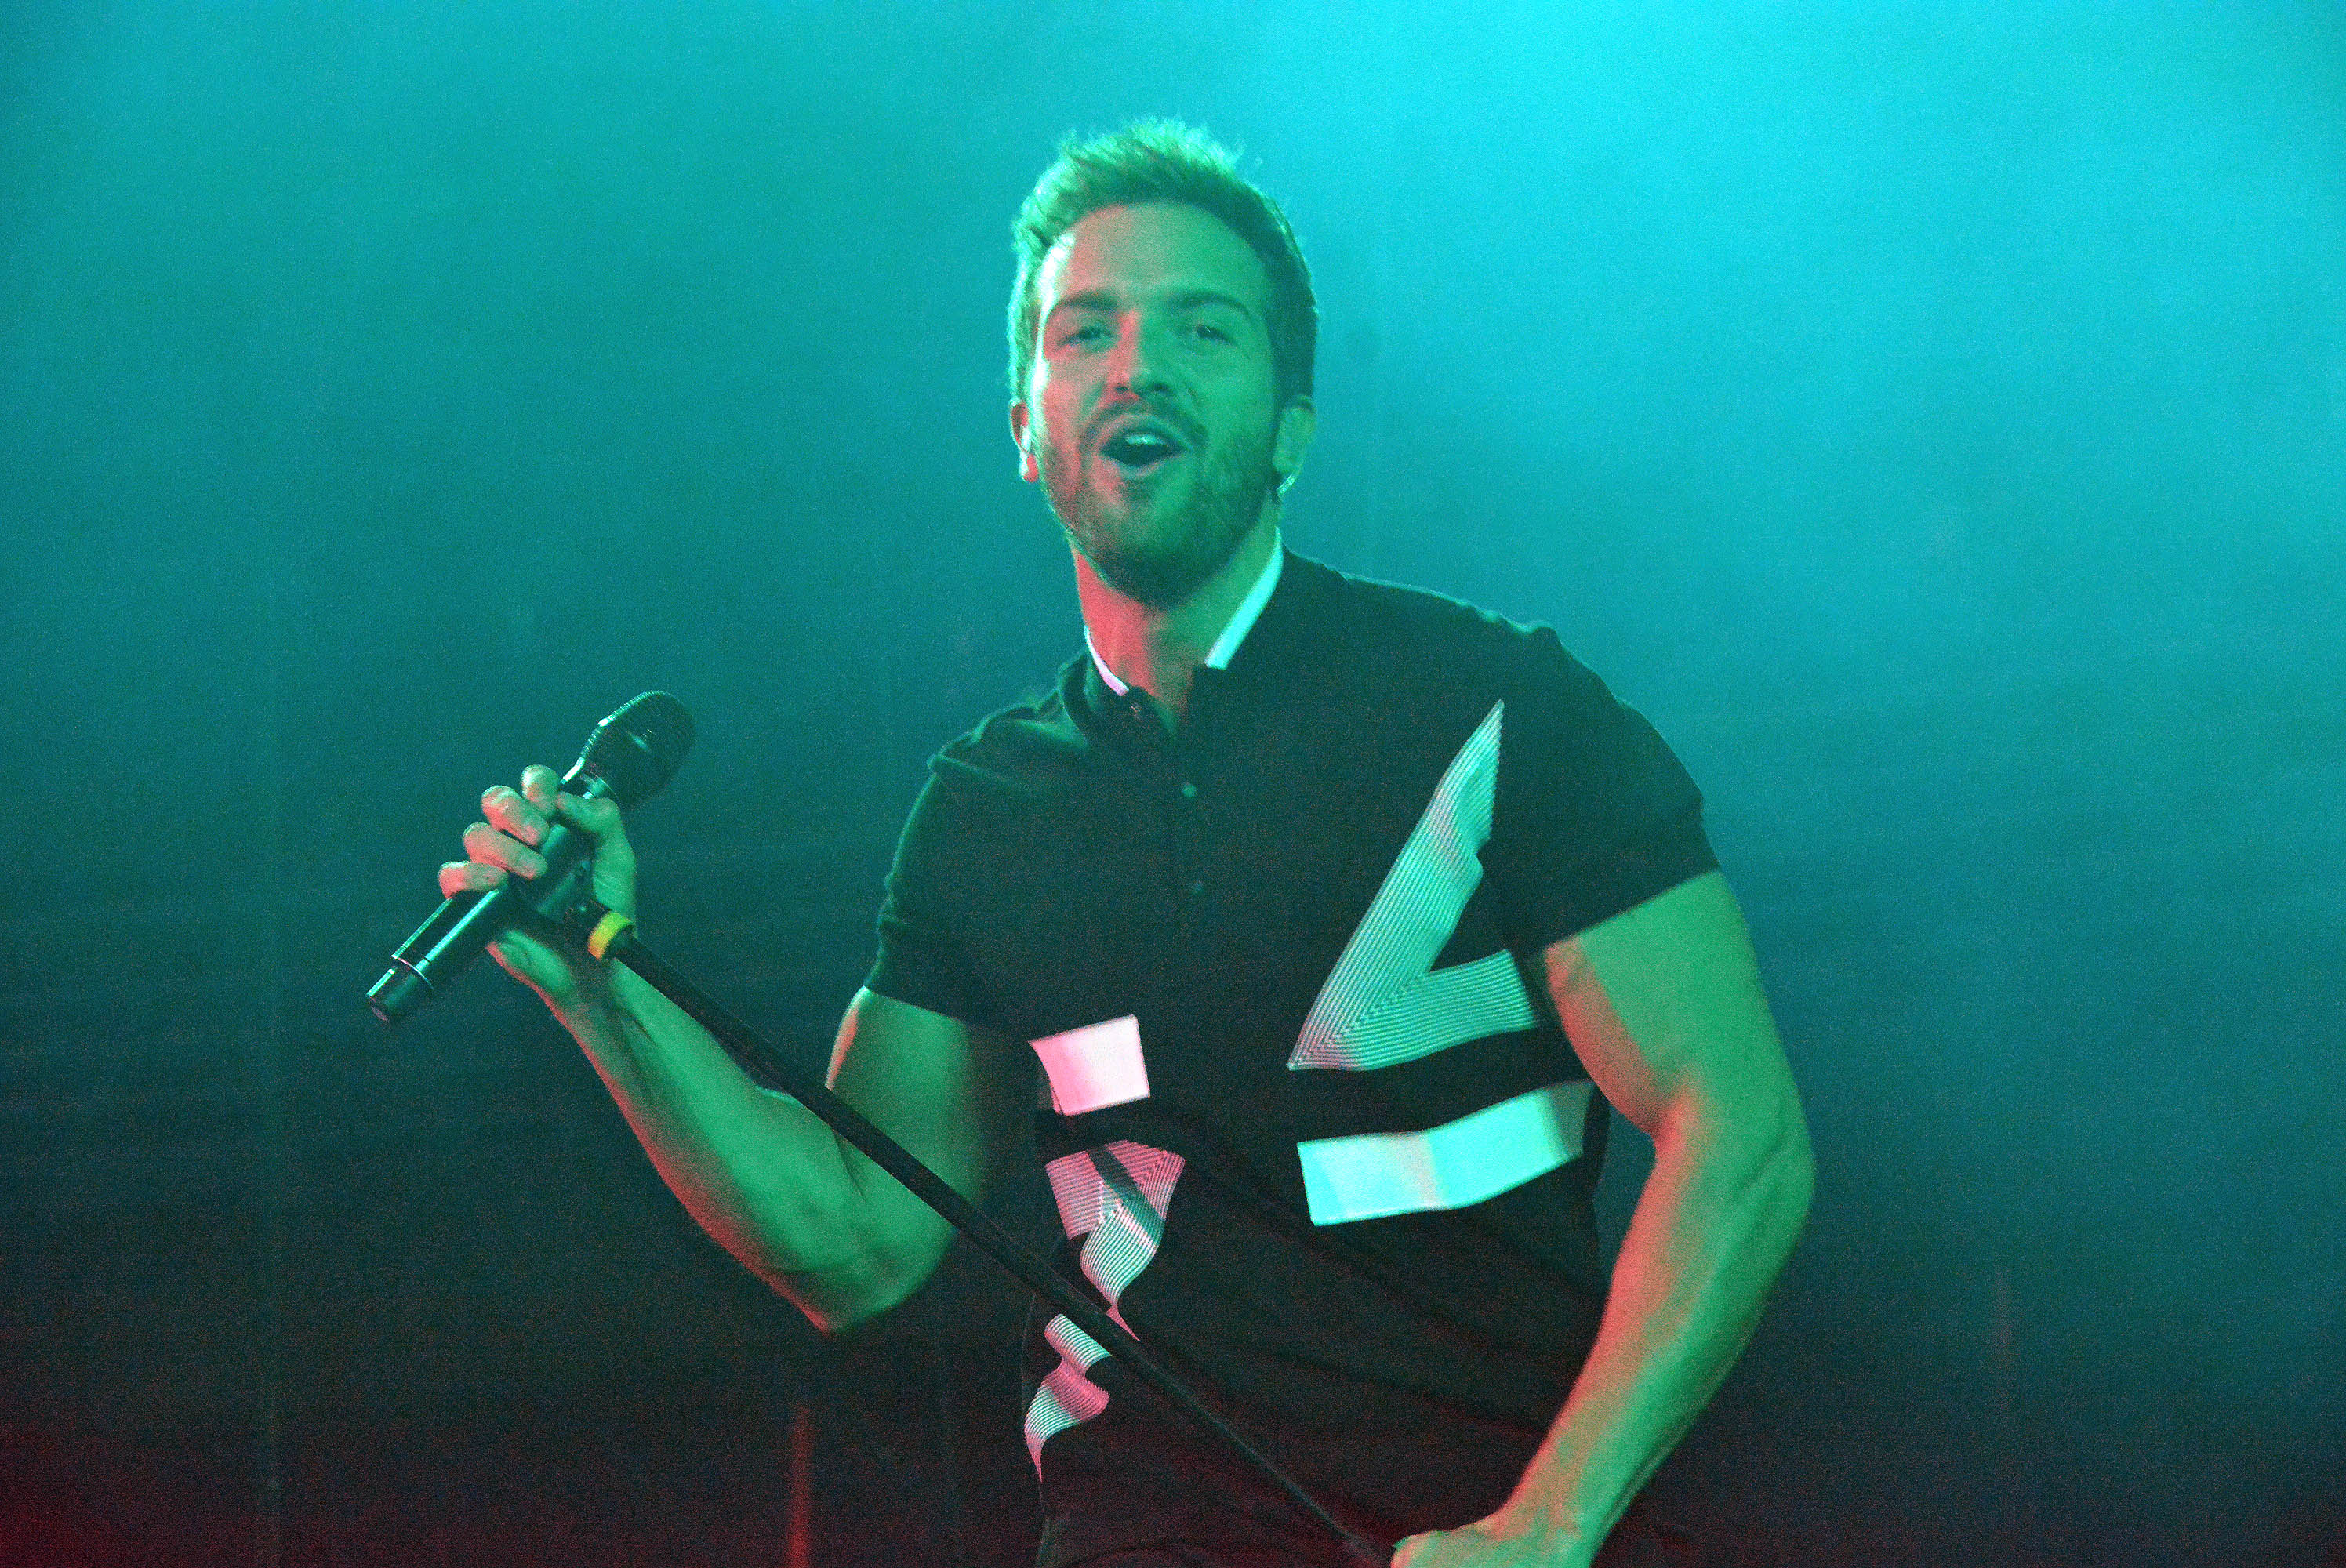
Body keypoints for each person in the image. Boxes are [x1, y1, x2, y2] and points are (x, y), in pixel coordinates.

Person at [443, 122, 1814, 1568]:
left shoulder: (1496, 709)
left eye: (1201, 329)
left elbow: (1741, 1131)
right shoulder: (987, 810)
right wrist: (603, 988)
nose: (1135, 366)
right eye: (1084, 330)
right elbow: (854, 1241)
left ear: (1293, 427)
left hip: (1494, 1525)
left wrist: (1550, 1524)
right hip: (1147, 1527)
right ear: (1025, 428)